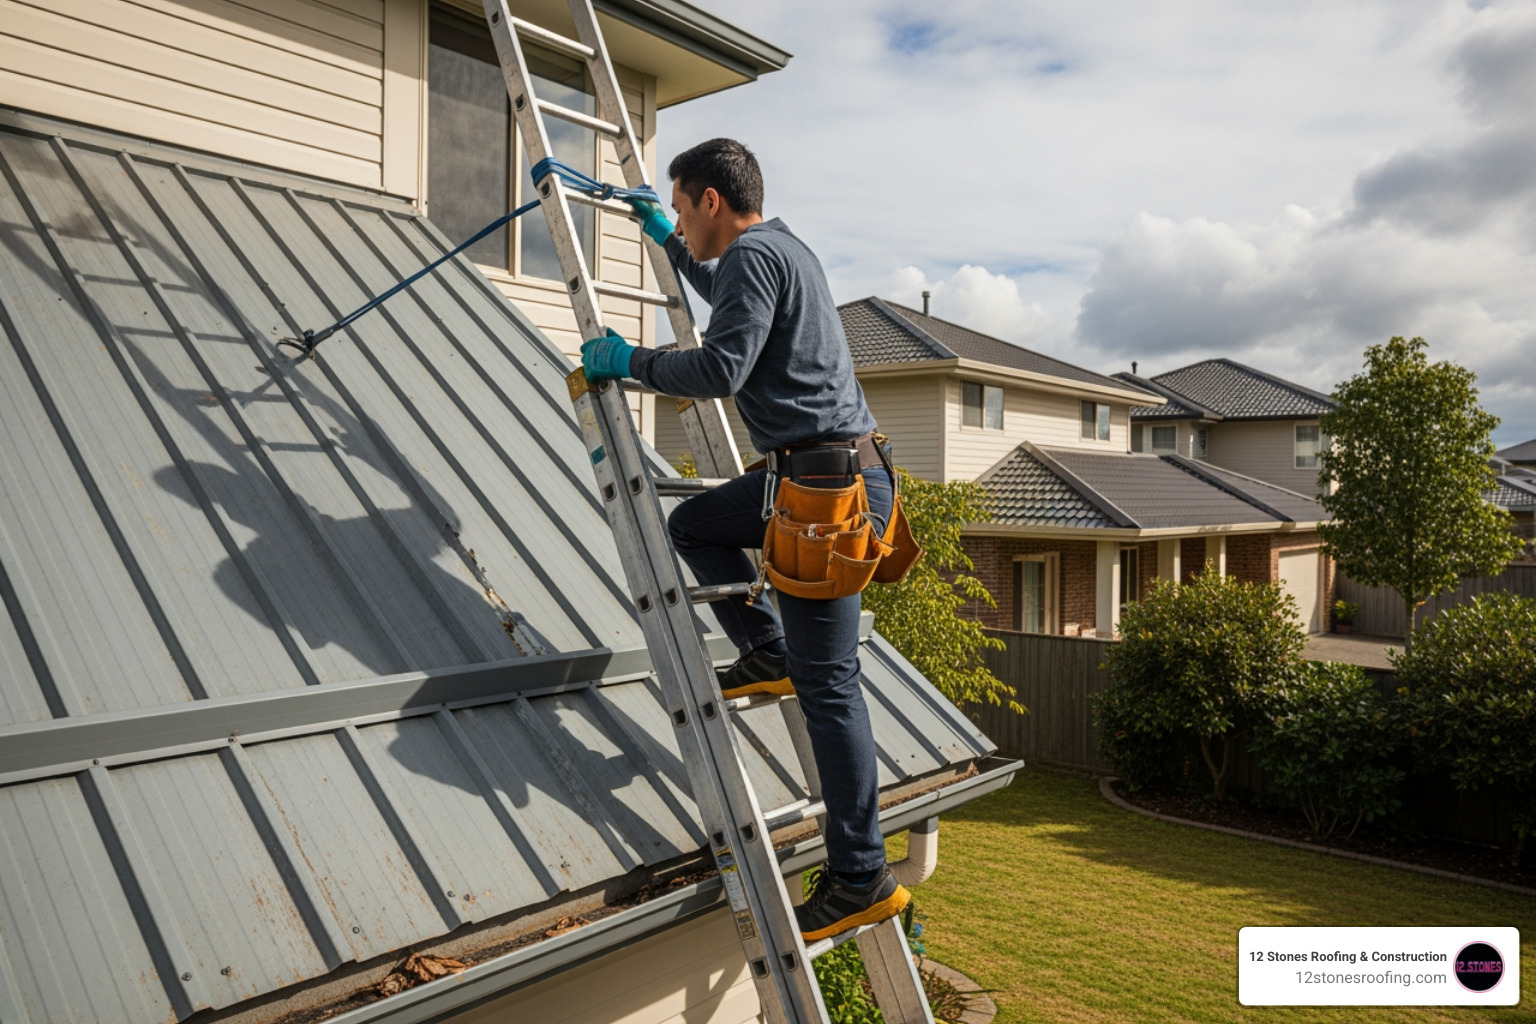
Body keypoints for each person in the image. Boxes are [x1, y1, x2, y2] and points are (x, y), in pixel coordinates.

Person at [578, 138, 908, 942]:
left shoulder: (755, 258)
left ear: (712, 202)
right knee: (694, 524)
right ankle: (766, 650)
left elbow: (722, 368)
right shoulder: (778, 250)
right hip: (814, 479)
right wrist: (665, 239)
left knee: (831, 688)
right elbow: (725, 293)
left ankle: (860, 875)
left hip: (825, 493)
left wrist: (631, 361)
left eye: (682, 209)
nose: (683, 223)